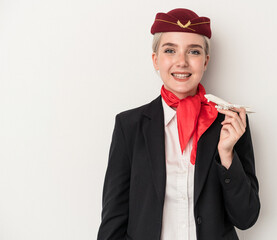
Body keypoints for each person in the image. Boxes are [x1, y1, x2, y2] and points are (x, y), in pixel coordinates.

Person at [97, 8, 260, 240]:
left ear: (205, 61)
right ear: (156, 60)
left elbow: (246, 217)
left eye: (193, 51)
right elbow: (112, 222)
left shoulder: (231, 122)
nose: (181, 62)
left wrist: (226, 155)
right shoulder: (129, 126)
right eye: (170, 50)